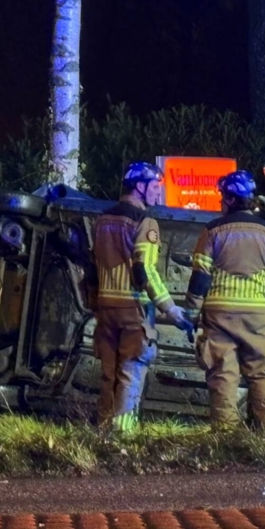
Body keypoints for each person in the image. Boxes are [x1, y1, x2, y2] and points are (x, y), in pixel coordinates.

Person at [185, 170, 265, 435]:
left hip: (220, 315)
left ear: (230, 199)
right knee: (263, 372)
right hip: (256, 315)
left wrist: (191, 315)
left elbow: (200, 279)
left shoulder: (212, 231)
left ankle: (226, 438)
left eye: (223, 196)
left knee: (222, 374)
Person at [92, 162, 193, 434]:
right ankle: (123, 435)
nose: (158, 193)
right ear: (140, 186)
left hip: (106, 308)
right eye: (156, 186)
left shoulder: (102, 220)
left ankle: (103, 433)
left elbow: (92, 266)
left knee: (108, 375)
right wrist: (170, 310)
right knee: (130, 372)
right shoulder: (144, 221)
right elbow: (144, 268)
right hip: (133, 309)